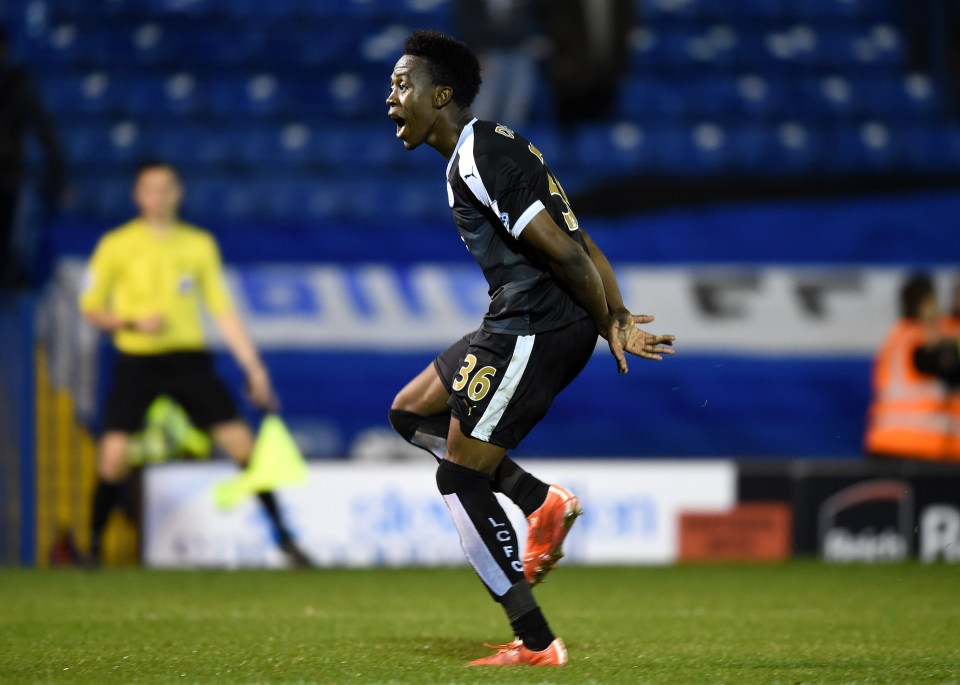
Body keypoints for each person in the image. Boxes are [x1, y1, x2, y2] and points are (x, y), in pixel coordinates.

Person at [385, 30, 675, 666]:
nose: (391, 99)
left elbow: (567, 252)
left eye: (403, 85)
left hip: (535, 326)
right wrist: (615, 313)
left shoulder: (477, 158)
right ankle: (539, 501)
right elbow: (581, 237)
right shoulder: (496, 144)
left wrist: (610, 324)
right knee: (411, 412)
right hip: (518, 320)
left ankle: (537, 642)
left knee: (459, 474)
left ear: (441, 95)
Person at [78, 160, 313, 567]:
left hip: (187, 360)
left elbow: (222, 311)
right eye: (150, 189)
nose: (158, 196)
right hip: (137, 360)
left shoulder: (198, 244)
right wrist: (131, 320)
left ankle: (285, 540)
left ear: (177, 193)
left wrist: (253, 368)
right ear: (138, 195)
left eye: (166, 187)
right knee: (112, 456)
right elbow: (90, 308)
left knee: (243, 445)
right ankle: (93, 548)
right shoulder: (116, 245)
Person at [0, 24, 69, 289]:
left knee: (10, 249)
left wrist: (58, 177)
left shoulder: (19, 84)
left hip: (8, 179)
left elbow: (45, 132)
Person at [864, 273, 960, 462]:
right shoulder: (922, 337)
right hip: (920, 446)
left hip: (888, 442)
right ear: (925, 304)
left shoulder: (897, 334)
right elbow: (947, 367)